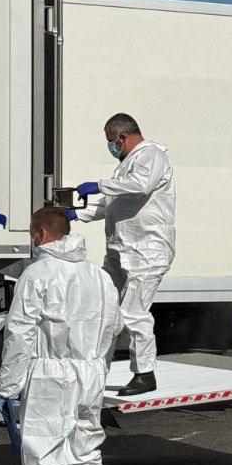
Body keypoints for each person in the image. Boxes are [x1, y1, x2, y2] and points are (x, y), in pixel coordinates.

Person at [0, 207, 123, 465]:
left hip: (50, 375)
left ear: (39, 234)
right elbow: (113, 328)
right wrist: (97, 368)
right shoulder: (99, 277)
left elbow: (20, 333)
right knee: (85, 456)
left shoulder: (36, 274)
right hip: (90, 373)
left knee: (44, 460)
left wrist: (8, 385)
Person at [68, 112, 175, 396]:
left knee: (133, 312)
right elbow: (110, 206)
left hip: (147, 251)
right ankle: (96, 369)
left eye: (110, 141)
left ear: (122, 136)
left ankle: (145, 373)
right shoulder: (126, 165)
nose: (110, 147)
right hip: (121, 249)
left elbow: (141, 185)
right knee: (107, 308)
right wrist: (75, 214)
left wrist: (99, 185)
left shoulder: (152, 155)